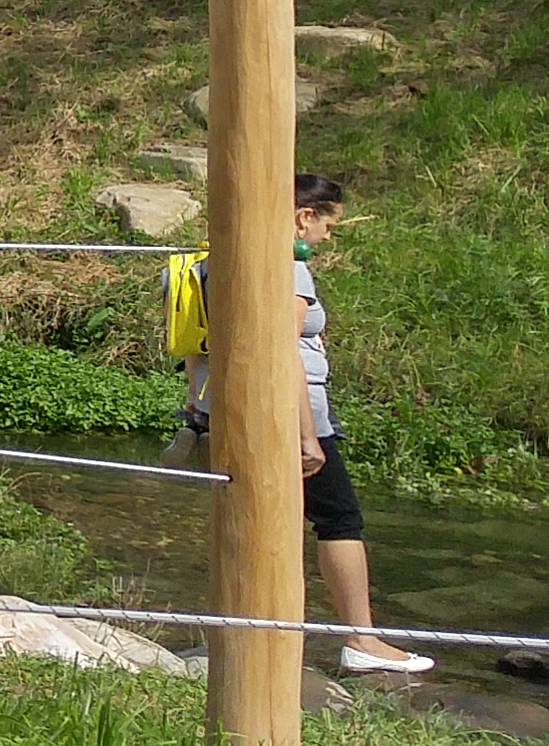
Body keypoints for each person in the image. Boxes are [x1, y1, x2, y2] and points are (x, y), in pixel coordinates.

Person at [178, 174, 430, 675]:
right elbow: (282, 350)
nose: (328, 237)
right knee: (341, 521)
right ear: (303, 216)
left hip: (231, 411)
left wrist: (195, 414)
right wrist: (307, 437)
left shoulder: (216, 257)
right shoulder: (287, 268)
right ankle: (361, 639)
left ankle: (252, 626)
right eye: (328, 224)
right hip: (293, 416)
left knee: (266, 516)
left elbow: (192, 345)